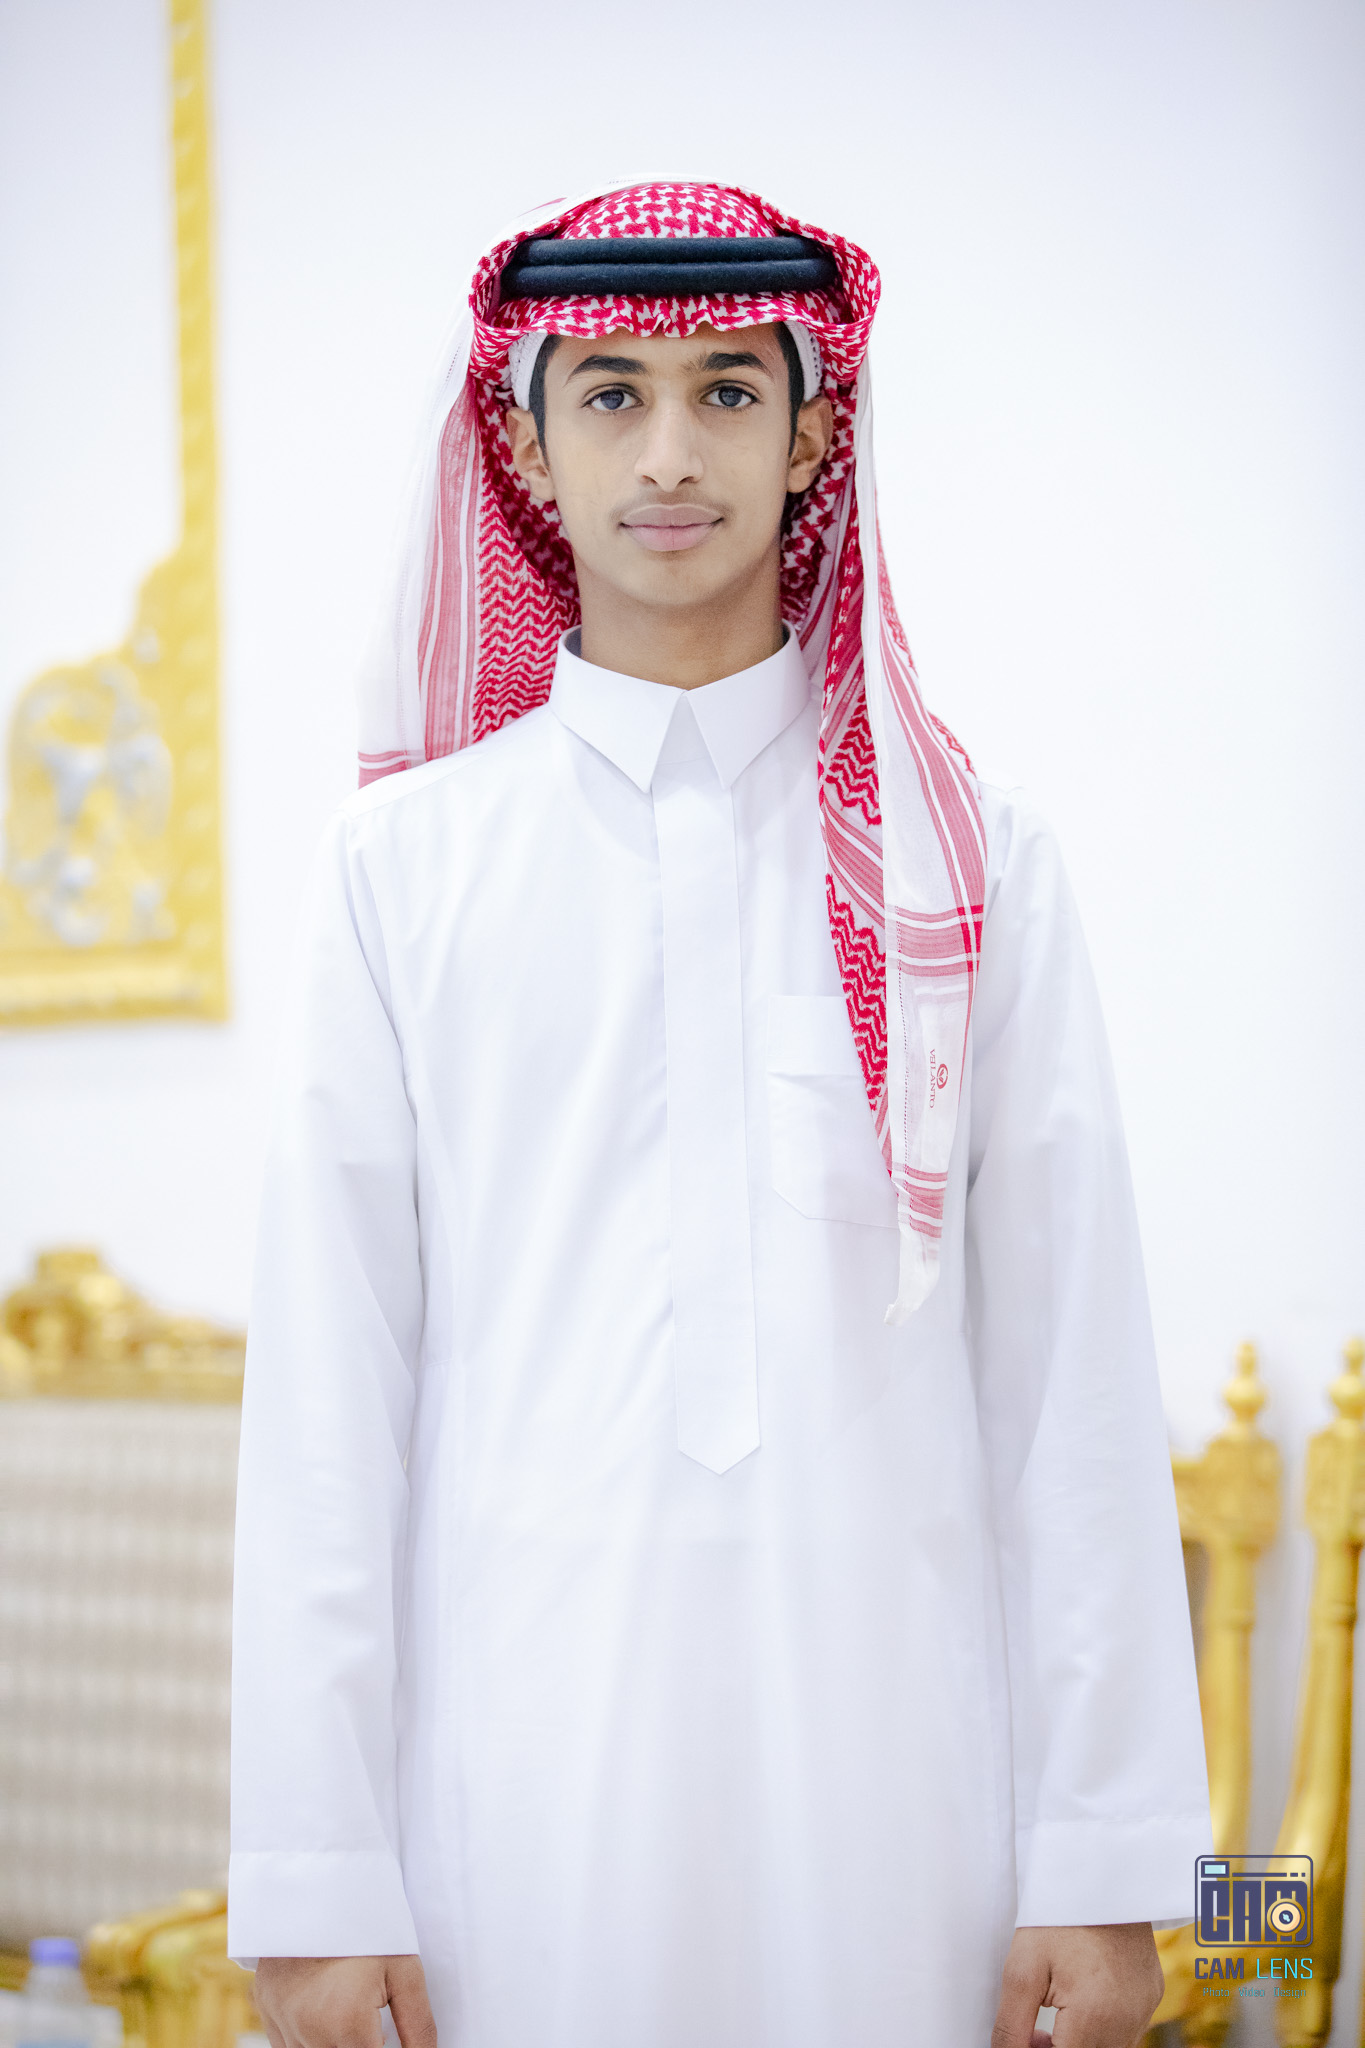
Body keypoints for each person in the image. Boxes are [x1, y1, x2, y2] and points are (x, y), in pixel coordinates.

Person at [228, 180, 1212, 2048]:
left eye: (726, 392)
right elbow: (329, 1408)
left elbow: (1068, 1385)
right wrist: (315, 1880)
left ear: (811, 433)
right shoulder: (400, 871)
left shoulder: (970, 864)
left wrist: (1100, 1863)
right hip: (513, 1785)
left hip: (900, 1786)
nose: (668, 453)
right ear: (525, 445)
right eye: (609, 393)